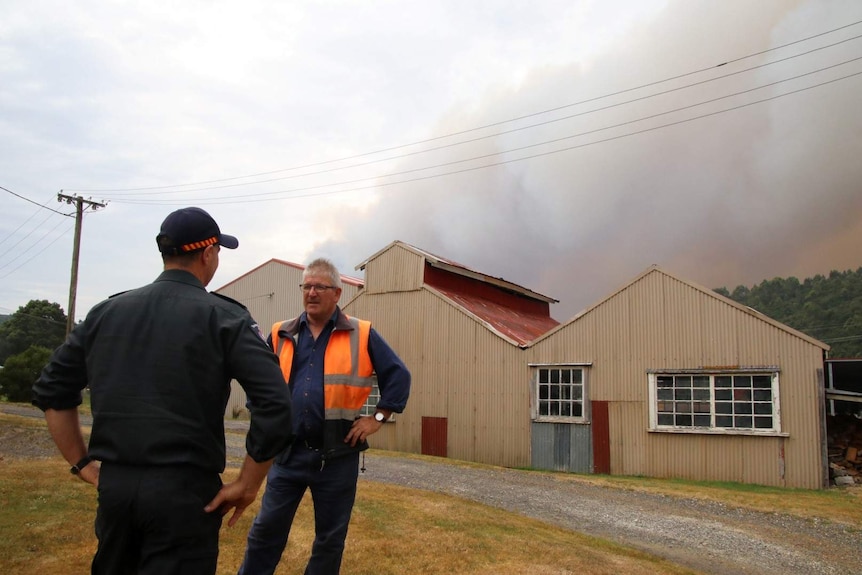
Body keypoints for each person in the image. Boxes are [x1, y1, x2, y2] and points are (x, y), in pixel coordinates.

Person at [32, 206, 295, 575]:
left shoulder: (107, 312)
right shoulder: (225, 317)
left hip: (117, 489)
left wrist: (82, 464)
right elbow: (276, 405)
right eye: (218, 252)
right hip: (185, 495)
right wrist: (248, 484)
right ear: (207, 254)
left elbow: (52, 390)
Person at [238, 257, 411, 575]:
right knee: (265, 532)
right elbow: (257, 380)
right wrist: (263, 418)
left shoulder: (362, 333)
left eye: (320, 287)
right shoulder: (281, 333)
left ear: (337, 293)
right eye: (307, 286)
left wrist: (378, 418)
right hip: (287, 456)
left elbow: (399, 376)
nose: (312, 293)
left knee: (329, 541)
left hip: (336, 456)